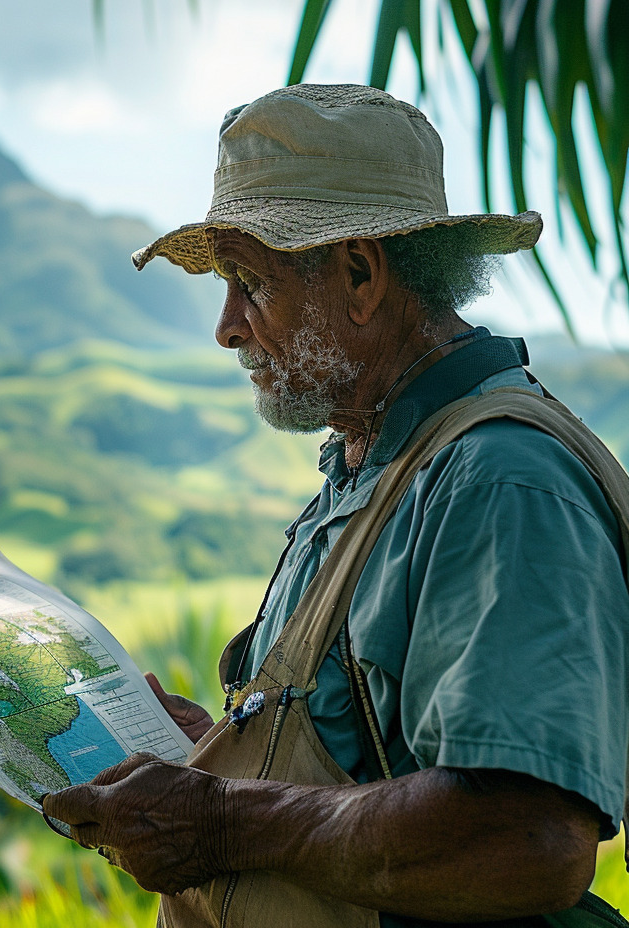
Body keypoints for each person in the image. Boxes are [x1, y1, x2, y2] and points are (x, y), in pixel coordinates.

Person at [42, 84, 629, 928]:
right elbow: (365, 768)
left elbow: (528, 834)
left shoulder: (499, 480)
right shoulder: (373, 464)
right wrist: (208, 757)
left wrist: (218, 819)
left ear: (359, 274)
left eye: (250, 282)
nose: (227, 327)